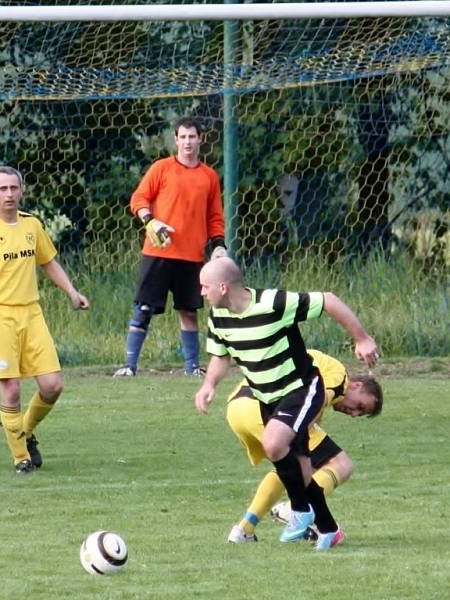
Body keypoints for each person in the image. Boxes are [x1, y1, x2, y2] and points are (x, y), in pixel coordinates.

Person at [194, 257, 379, 550]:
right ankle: (328, 529)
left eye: (205, 287)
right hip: (267, 397)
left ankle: (300, 509)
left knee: (273, 444)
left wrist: (362, 338)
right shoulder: (218, 317)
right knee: (300, 468)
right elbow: (220, 356)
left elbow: (328, 300)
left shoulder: (273, 302)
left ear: (223, 286)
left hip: (301, 388)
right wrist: (208, 385)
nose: (201, 292)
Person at [0, 166, 90, 474]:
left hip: (31, 312)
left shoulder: (31, 225)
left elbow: (48, 262)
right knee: (11, 389)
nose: (9, 194)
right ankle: (21, 459)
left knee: (53, 386)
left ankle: (24, 431)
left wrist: (72, 292)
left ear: (22, 190)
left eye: (14, 188)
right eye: (2, 189)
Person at [226, 349, 383, 545]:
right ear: (356, 385)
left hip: (237, 408)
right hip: (263, 409)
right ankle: (295, 508)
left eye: (359, 414)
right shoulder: (339, 376)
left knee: (291, 468)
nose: (354, 414)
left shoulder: (315, 360)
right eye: (360, 406)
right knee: (342, 464)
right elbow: (317, 401)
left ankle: (244, 529)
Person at [114, 117, 226, 378]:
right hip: (158, 253)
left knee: (189, 310)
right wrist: (150, 221)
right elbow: (138, 199)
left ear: (201, 140)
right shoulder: (161, 168)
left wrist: (219, 245)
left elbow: (215, 217)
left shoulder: (209, 176)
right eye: (183, 137)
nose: (187, 142)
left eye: (192, 137)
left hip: (192, 255)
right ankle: (130, 366)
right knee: (143, 308)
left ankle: (191, 367)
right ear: (175, 140)